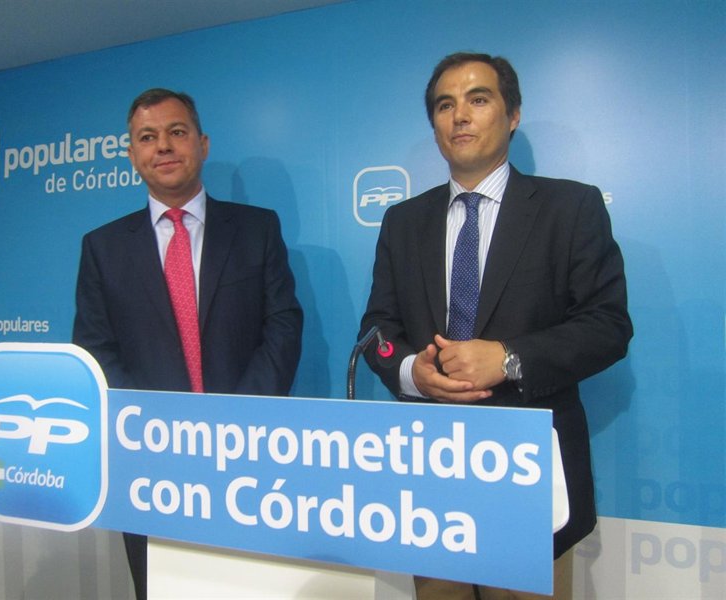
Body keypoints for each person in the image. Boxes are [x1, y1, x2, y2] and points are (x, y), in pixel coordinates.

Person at [359, 53, 632, 599]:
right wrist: (412, 372)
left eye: (478, 99)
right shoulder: (403, 221)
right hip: (430, 475)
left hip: (530, 475)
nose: (459, 115)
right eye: (445, 105)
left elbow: (607, 326)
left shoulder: (570, 207)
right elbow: (377, 330)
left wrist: (508, 358)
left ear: (512, 115)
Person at [72, 88, 303, 600]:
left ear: (202, 143)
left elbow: (283, 328)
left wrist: (236, 424)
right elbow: (94, 353)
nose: (163, 146)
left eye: (176, 132)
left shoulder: (257, 229)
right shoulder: (102, 248)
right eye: (147, 137)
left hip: (247, 456)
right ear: (131, 154)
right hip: (149, 465)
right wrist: (156, 432)